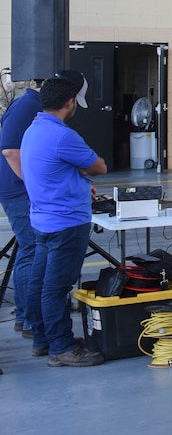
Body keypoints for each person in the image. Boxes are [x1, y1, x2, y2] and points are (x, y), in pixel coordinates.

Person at [20, 76, 108, 366]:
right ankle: (62, 347)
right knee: (56, 288)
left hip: (43, 220)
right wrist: (84, 174)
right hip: (66, 223)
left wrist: (76, 177)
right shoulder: (63, 135)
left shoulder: (33, 129)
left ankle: (43, 339)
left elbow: (54, 168)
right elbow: (99, 167)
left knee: (40, 282)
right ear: (70, 103)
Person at [1, 74, 45, 343]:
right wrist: (33, 186)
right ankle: (29, 318)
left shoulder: (29, 105)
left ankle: (24, 316)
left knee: (28, 251)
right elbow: (10, 150)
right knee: (32, 251)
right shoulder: (27, 105)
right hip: (18, 192)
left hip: (19, 190)